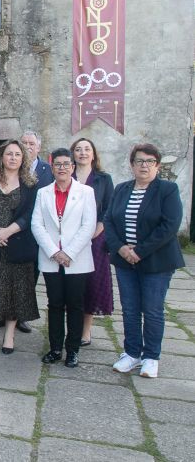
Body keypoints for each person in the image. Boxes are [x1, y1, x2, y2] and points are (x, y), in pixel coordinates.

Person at [105, 143, 184, 378]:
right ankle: (131, 354)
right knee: (129, 309)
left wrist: (138, 251)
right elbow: (108, 221)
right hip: (125, 262)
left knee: (152, 310)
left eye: (150, 161)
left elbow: (169, 225)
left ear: (157, 166)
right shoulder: (121, 189)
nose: (144, 165)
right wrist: (120, 248)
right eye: (139, 161)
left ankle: (151, 357)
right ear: (132, 165)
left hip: (156, 262)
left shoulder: (167, 190)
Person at [32, 148, 96, 368]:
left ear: (73, 167)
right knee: (55, 304)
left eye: (66, 164)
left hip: (76, 258)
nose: (62, 168)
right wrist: (54, 252)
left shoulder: (86, 192)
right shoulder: (43, 193)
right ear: (52, 168)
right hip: (51, 258)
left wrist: (68, 253)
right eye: (57, 164)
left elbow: (88, 226)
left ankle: (73, 350)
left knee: (76, 305)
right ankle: (55, 347)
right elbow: (36, 225)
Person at [0, 140, 39, 354]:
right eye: (9, 154)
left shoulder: (30, 184)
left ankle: (9, 335)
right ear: (1, 157)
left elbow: (30, 214)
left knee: (15, 291)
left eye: (17, 154)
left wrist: (7, 232)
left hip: (17, 244)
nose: (12, 158)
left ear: (23, 159)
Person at [71, 137, 114, 346]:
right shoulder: (65, 175)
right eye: (78, 149)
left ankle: (86, 331)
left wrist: (94, 232)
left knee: (91, 283)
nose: (83, 153)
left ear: (93, 154)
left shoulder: (103, 179)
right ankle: (70, 327)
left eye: (87, 149)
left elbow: (108, 210)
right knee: (70, 284)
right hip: (68, 239)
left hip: (95, 240)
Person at [19, 129, 53, 333]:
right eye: (24, 142)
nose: (27, 146)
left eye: (31, 143)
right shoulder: (12, 166)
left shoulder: (48, 170)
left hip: (38, 233)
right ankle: (4, 313)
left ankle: (22, 315)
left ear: (38, 147)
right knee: (11, 274)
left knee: (31, 275)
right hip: (15, 231)